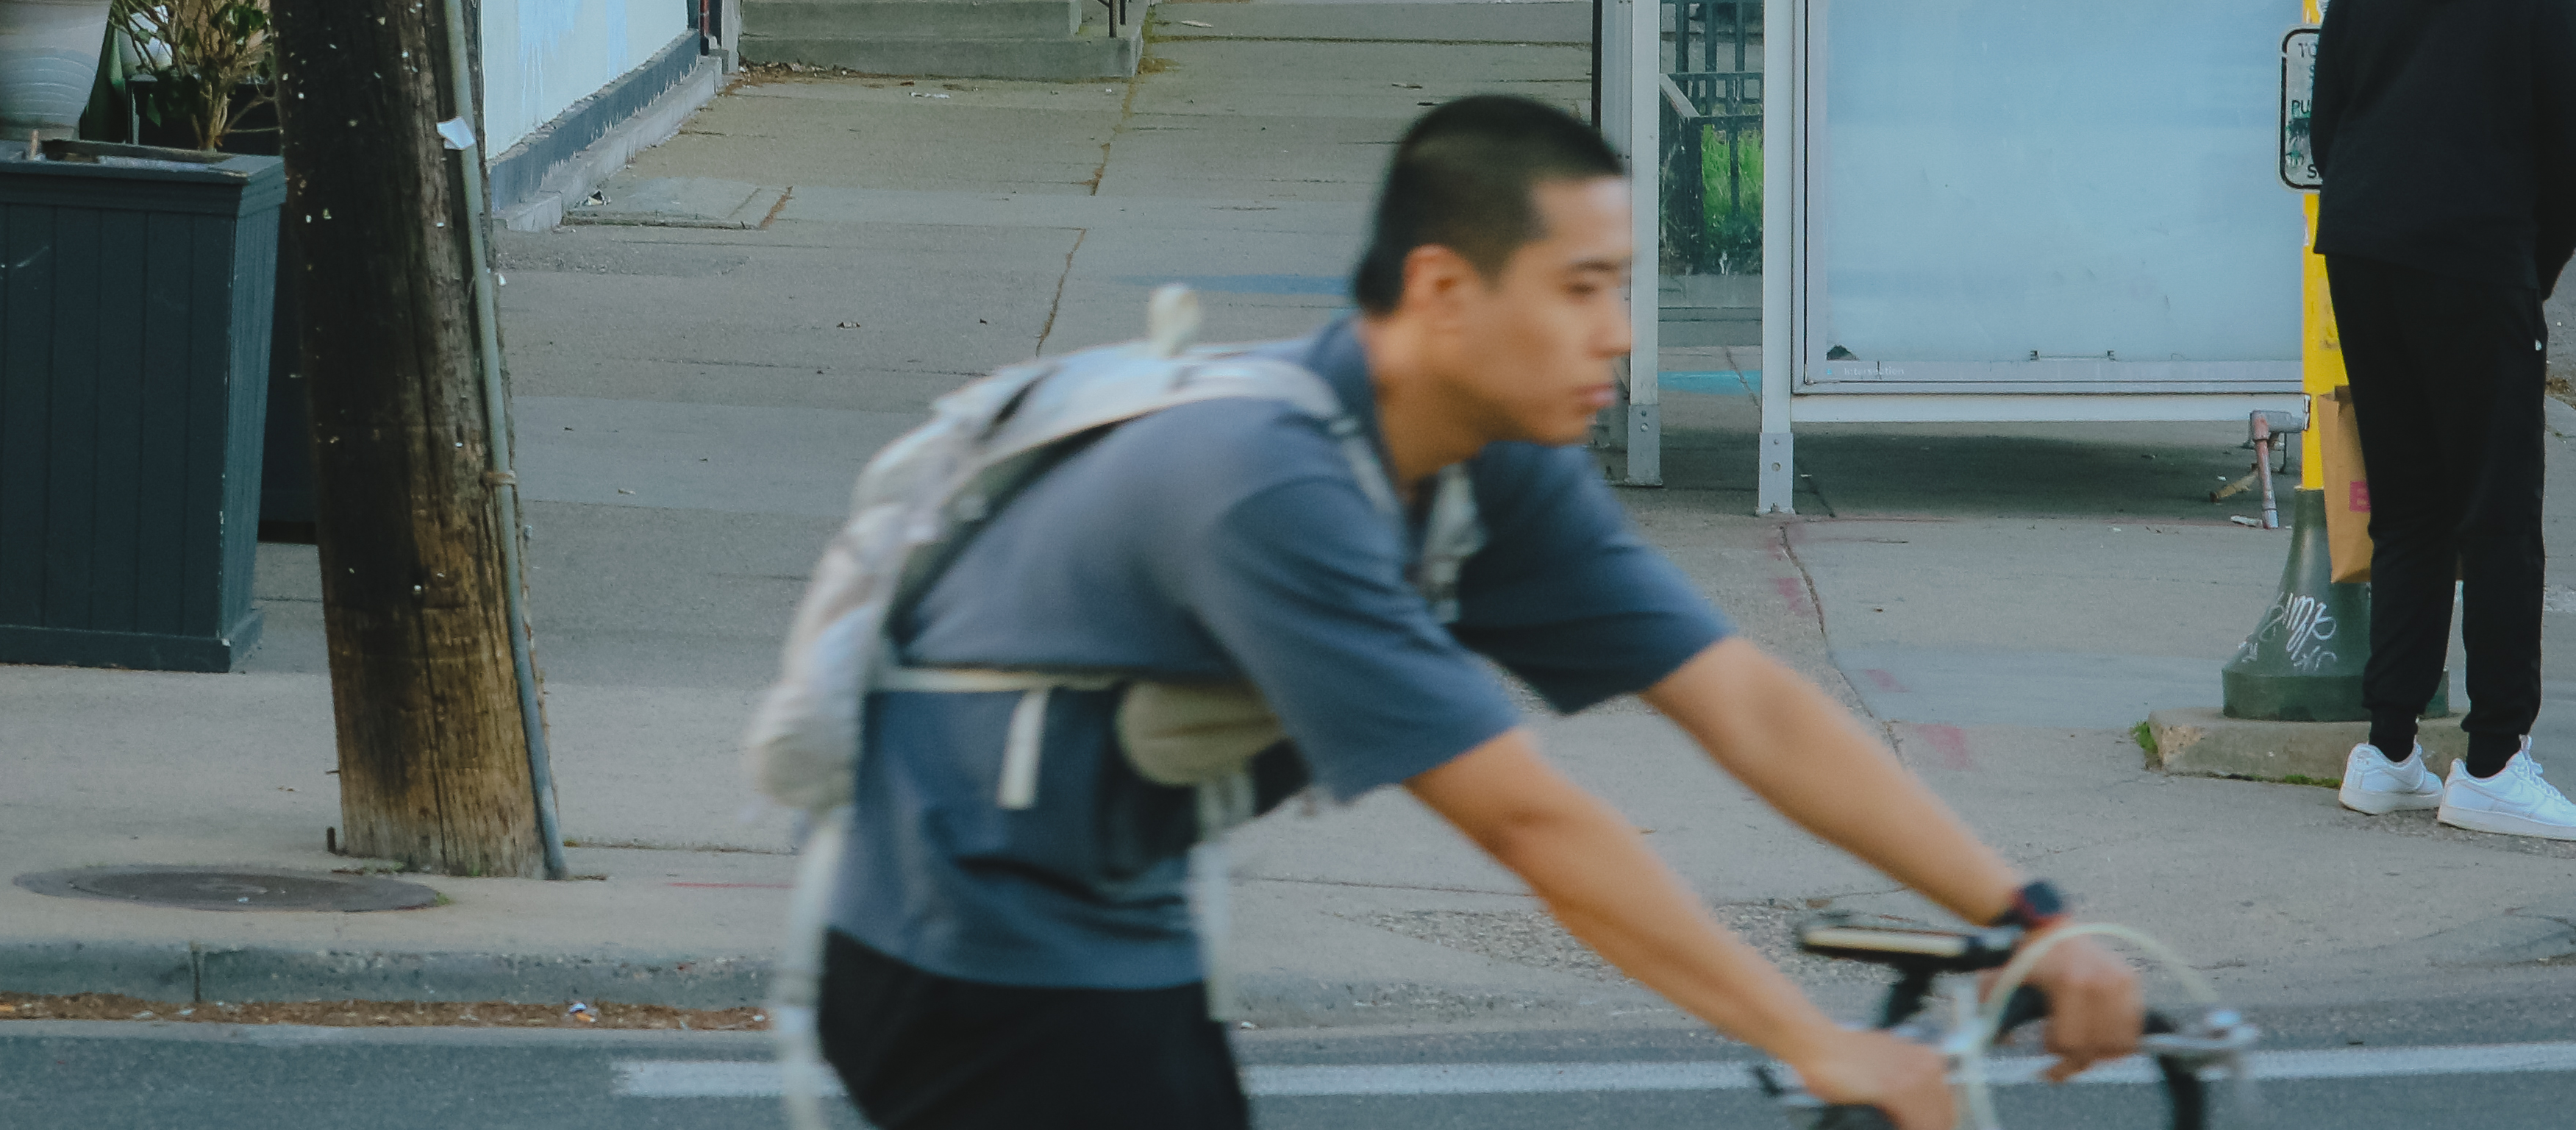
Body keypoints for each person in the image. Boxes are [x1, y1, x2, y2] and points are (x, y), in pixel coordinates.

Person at [814, 96, 2147, 1130]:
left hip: (1121, 926)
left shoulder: (1481, 464)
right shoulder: (1264, 486)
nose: (1618, 334)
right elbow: (1528, 820)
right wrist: (1811, 1040)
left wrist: (2035, 916)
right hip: (966, 962)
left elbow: (1741, 700)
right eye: (1582, 287)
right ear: (1446, 293)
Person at [2308, 0, 2576, 840]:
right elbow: (2572, 160)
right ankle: (2490, 759)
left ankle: (2386, 746)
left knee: (2408, 504)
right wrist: (2526, 272)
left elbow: (2324, 120)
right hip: (2477, 264)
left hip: (2365, 248)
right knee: (2496, 512)